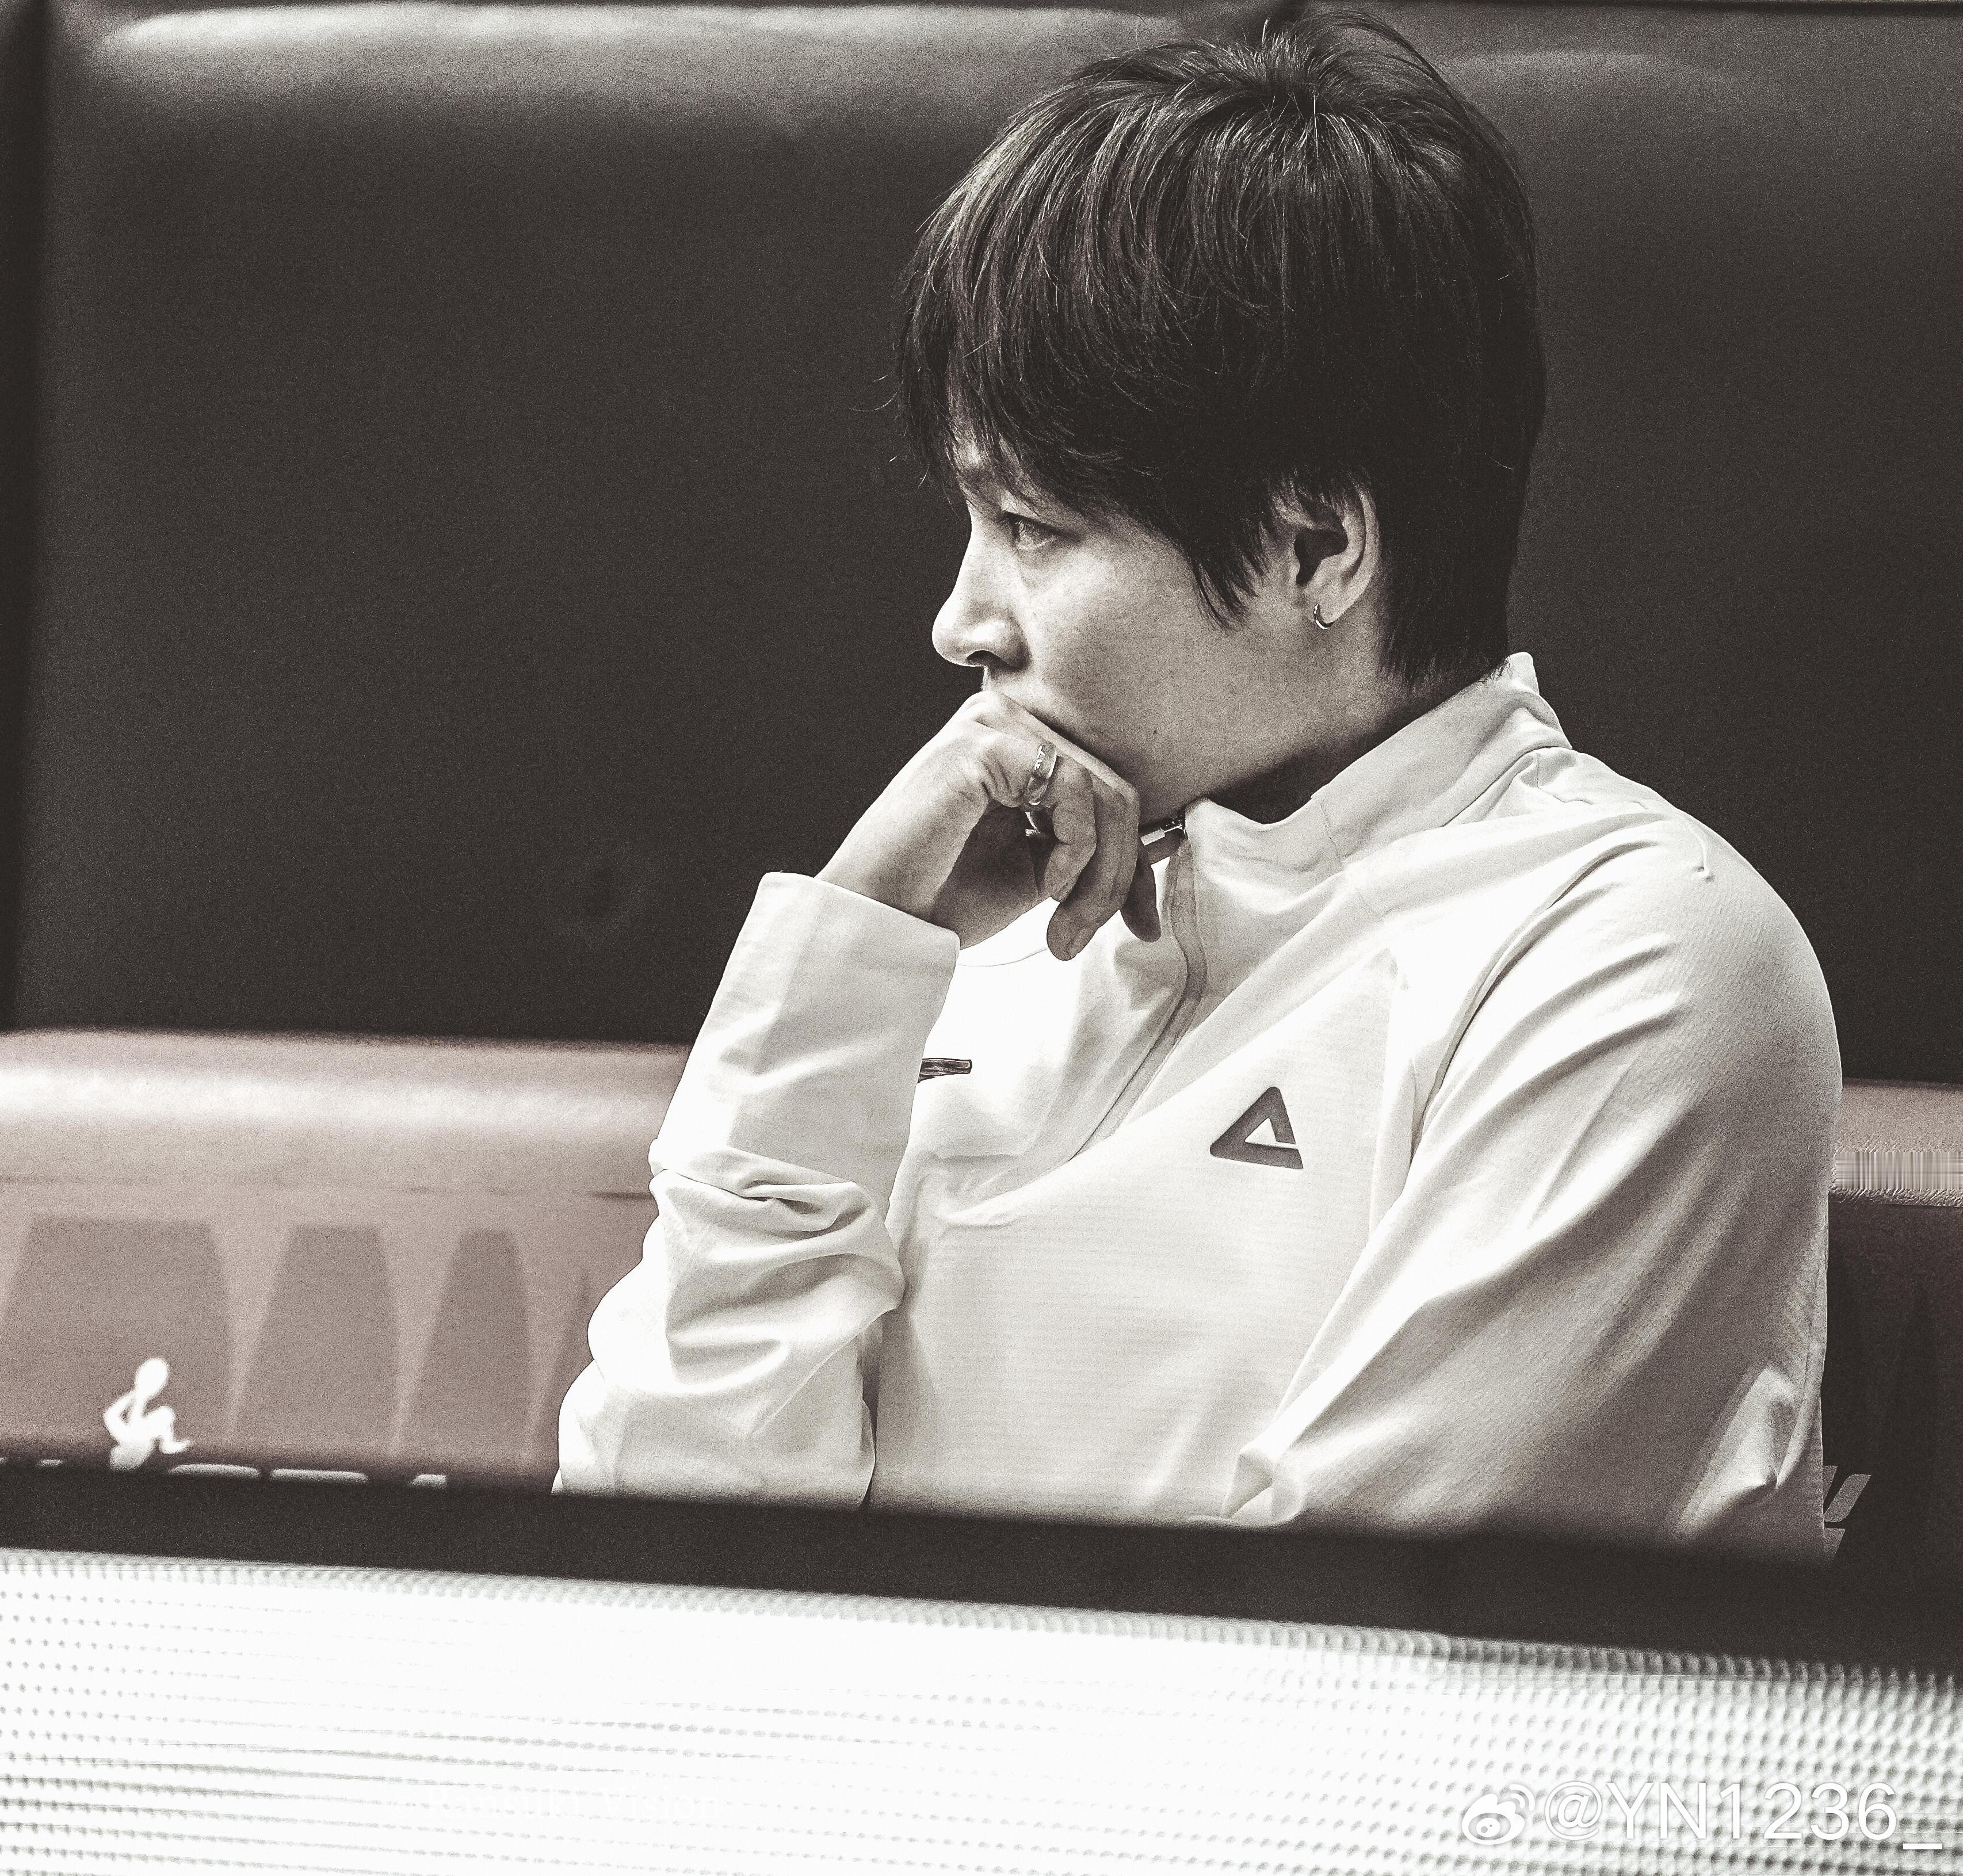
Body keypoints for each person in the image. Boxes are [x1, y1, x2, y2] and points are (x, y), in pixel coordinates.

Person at [554, 13, 1838, 1559]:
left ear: (1316, 548)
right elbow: (643, 1574)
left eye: (1033, 528)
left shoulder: (1641, 959)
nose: (961, 621)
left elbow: (1345, 1660)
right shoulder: (964, 938)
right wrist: (839, 969)